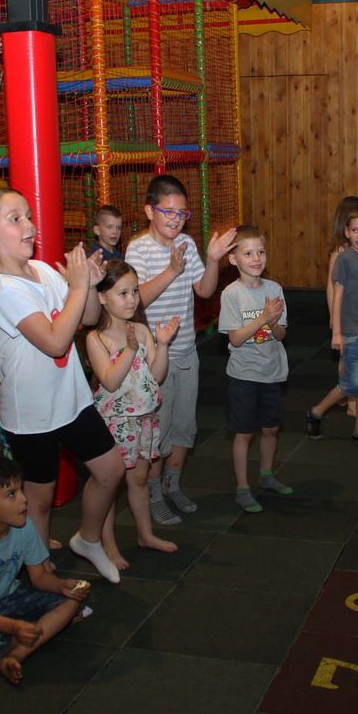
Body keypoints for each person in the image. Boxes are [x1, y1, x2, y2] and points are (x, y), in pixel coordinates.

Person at [0, 186, 124, 584]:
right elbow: (54, 341)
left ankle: (88, 539)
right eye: (15, 219)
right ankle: (41, 576)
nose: (29, 226)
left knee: (110, 470)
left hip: (71, 399)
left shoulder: (43, 271)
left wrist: (90, 284)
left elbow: (86, 319)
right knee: (39, 503)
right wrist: (78, 287)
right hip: (32, 413)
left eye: (28, 216)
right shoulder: (1, 288)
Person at [125, 174, 236, 525]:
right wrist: (172, 271)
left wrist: (213, 260)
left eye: (182, 214)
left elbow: (204, 290)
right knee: (157, 431)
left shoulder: (186, 243)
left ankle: (172, 485)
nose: (175, 220)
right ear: (149, 211)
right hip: (153, 357)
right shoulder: (138, 249)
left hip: (186, 351)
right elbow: (136, 299)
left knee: (184, 427)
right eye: (168, 212)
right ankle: (154, 494)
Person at [0, 455, 92, 685]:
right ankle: (20, 639)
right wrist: (14, 627)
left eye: (21, 490)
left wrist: (61, 586)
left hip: (11, 595)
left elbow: (39, 577)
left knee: (70, 602)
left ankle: (14, 656)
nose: (23, 499)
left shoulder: (25, 526)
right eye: (11, 494)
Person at [86, 259, 181, 566]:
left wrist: (162, 346)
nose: (132, 299)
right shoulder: (96, 338)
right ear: (102, 297)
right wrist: (129, 350)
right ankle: (108, 546)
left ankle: (145, 534)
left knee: (139, 478)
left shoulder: (140, 329)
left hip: (144, 419)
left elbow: (156, 376)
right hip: (115, 423)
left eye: (135, 291)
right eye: (123, 293)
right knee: (109, 485)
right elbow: (110, 381)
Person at [218, 225, 293, 513]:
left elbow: (281, 334)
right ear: (233, 259)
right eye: (248, 253)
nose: (256, 258)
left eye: (260, 252)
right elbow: (235, 338)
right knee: (244, 432)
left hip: (271, 371)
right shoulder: (231, 294)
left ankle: (266, 474)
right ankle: (242, 487)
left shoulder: (274, 289)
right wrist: (263, 318)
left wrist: (273, 322)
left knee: (271, 428)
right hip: (243, 374)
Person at [306, 200, 358, 445]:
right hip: (352, 330)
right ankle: (316, 411)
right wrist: (337, 332)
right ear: (347, 232)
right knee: (349, 385)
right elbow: (337, 294)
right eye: (355, 230)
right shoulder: (344, 259)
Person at [325, 197, 358, 421]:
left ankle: (345, 393)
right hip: (345, 315)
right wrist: (335, 317)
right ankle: (352, 402)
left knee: (354, 357)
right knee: (349, 358)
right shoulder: (340, 252)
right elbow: (332, 286)